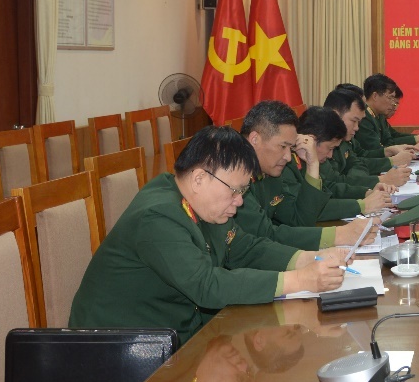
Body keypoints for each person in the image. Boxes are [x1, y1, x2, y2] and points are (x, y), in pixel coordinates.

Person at [69, 127, 346, 342]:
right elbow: (206, 285)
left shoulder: (200, 203)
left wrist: (309, 258)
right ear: (199, 178)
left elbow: (245, 247)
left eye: (243, 191)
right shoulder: (157, 216)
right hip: (121, 346)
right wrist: (299, 280)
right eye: (235, 190)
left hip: (174, 334)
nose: (239, 201)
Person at [233, 100, 377, 250]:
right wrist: (337, 235)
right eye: (283, 146)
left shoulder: (269, 173)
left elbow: (300, 220)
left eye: (290, 148)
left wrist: (313, 164)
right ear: (255, 139)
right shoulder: (233, 175)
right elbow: (266, 235)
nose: (288, 157)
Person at [296, 105, 393, 220]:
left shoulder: (318, 157)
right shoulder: (288, 165)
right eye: (330, 148)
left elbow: (329, 186)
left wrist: (366, 193)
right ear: (311, 140)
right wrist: (361, 205)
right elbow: (309, 209)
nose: (330, 155)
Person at [355, 73, 419, 157]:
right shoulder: (363, 117)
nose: (392, 103)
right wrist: (412, 146)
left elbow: (391, 137)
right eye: (390, 98)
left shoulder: (379, 114)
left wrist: (415, 139)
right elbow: (377, 151)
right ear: (375, 96)